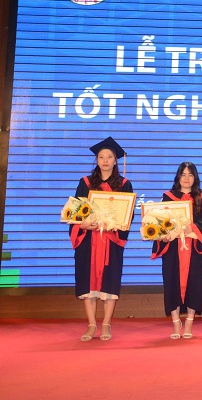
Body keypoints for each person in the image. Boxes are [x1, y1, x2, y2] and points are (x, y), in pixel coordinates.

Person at [69, 137, 134, 342]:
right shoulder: (85, 183)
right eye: (101, 157)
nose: (105, 161)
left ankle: (106, 324)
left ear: (115, 160)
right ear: (96, 160)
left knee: (109, 283)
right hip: (88, 241)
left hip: (111, 241)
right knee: (88, 284)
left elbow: (128, 215)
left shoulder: (124, 184)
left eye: (109, 157)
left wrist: (118, 224)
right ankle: (91, 324)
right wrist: (82, 225)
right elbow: (75, 211)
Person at [151, 162, 202, 340]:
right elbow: (159, 221)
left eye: (190, 175)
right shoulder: (168, 197)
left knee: (195, 283)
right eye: (183, 175)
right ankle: (176, 323)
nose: (186, 178)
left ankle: (189, 323)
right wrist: (163, 235)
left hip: (193, 248)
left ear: (195, 178)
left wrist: (191, 227)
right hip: (173, 249)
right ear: (178, 177)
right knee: (172, 283)